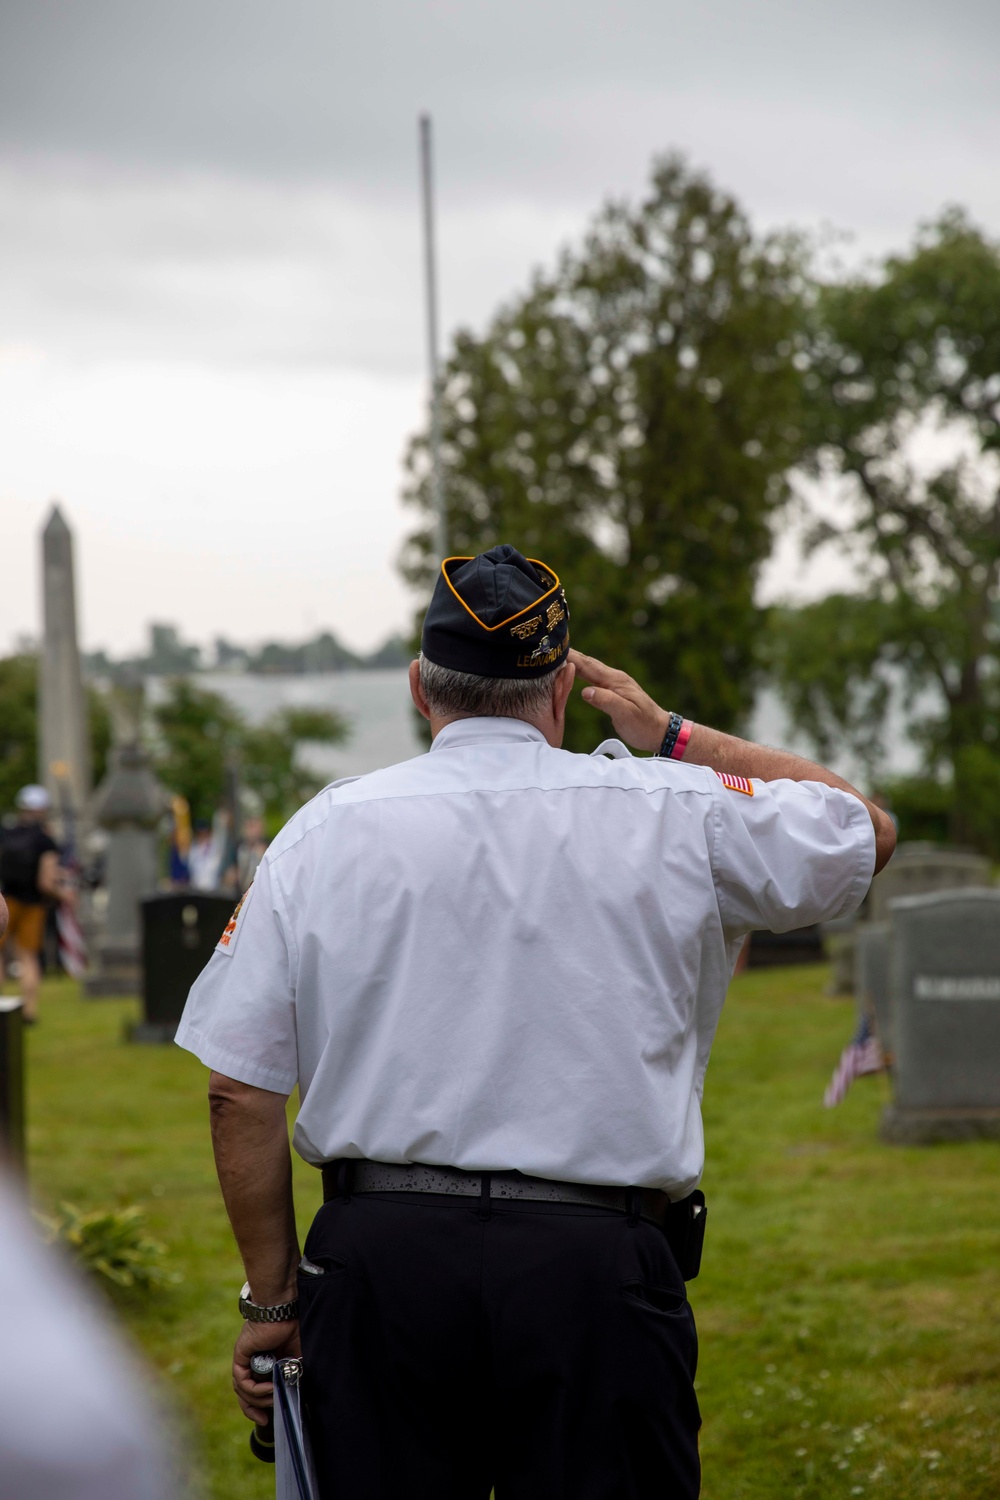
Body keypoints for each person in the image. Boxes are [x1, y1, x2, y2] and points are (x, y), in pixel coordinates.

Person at [176, 545, 895, 1499]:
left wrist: (273, 1301)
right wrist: (671, 733)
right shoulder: (672, 810)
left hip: (384, 1265)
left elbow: (239, 1087)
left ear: (419, 691)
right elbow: (865, 831)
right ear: (561, 686)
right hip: (596, 1273)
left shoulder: (324, 830)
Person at [0, 785, 71, 1023]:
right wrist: (64, 895)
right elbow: (45, 882)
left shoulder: (5, 834)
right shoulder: (45, 841)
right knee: (28, 958)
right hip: (32, 905)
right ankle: (29, 1012)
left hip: (5, 900)